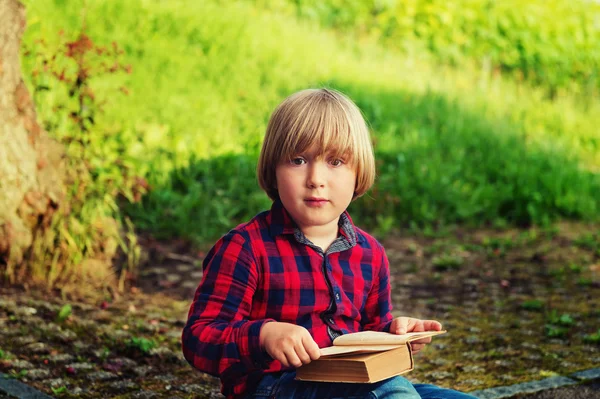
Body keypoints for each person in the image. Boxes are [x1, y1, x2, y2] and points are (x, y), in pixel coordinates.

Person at [182, 88, 476, 399]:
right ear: (273, 169)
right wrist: (264, 335)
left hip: (359, 383)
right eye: (298, 160)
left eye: (335, 161)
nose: (315, 178)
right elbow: (199, 338)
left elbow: (368, 335)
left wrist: (394, 334)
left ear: (358, 171)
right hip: (277, 386)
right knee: (393, 395)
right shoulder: (246, 247)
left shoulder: (369, 254)